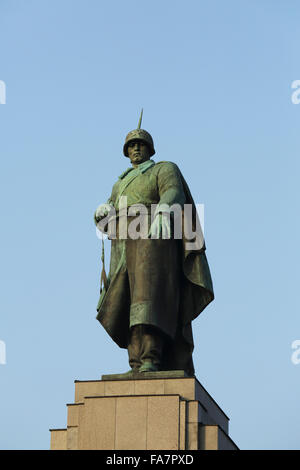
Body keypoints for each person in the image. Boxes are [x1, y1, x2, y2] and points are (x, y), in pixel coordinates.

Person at [94, 114, 214, 376]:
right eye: (131, 145)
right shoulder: (120, 182)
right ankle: (136, 362)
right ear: (126, 152)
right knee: (126, 302)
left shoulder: (164, 168)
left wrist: (162, 212)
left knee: (148, 300)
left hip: (153, 240)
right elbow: (109, 217)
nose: (136, 148)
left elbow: (173, 192)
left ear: (150, 149)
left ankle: (151, 357)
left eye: (141, 144)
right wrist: (102, 212)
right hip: (124, 246)